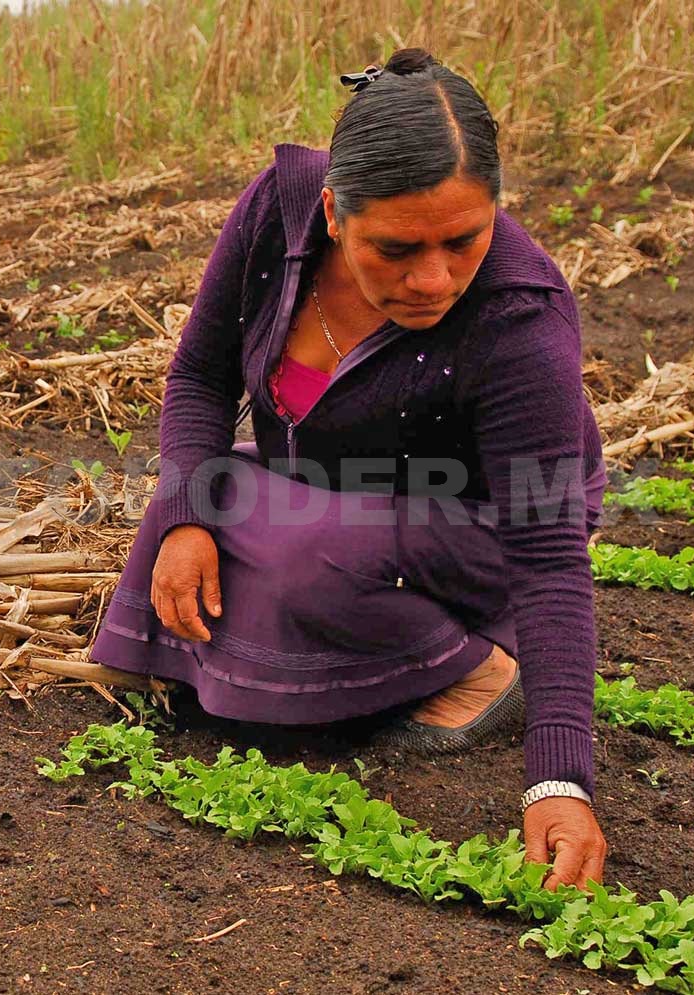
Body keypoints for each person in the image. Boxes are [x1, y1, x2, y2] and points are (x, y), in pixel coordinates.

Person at [89, 48, 608, 892]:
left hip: (478, 521)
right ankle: (314, 638)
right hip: (337, 482)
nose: (434, 277)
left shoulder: (519, 317)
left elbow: (549, 552)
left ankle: (478, 663)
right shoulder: (276, 214)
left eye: (464, 240)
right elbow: (199, 377)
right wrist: (186, 517)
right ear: (333, 212)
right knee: (186, 504)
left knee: (309, 557)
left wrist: (560, 780)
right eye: (397, 248)